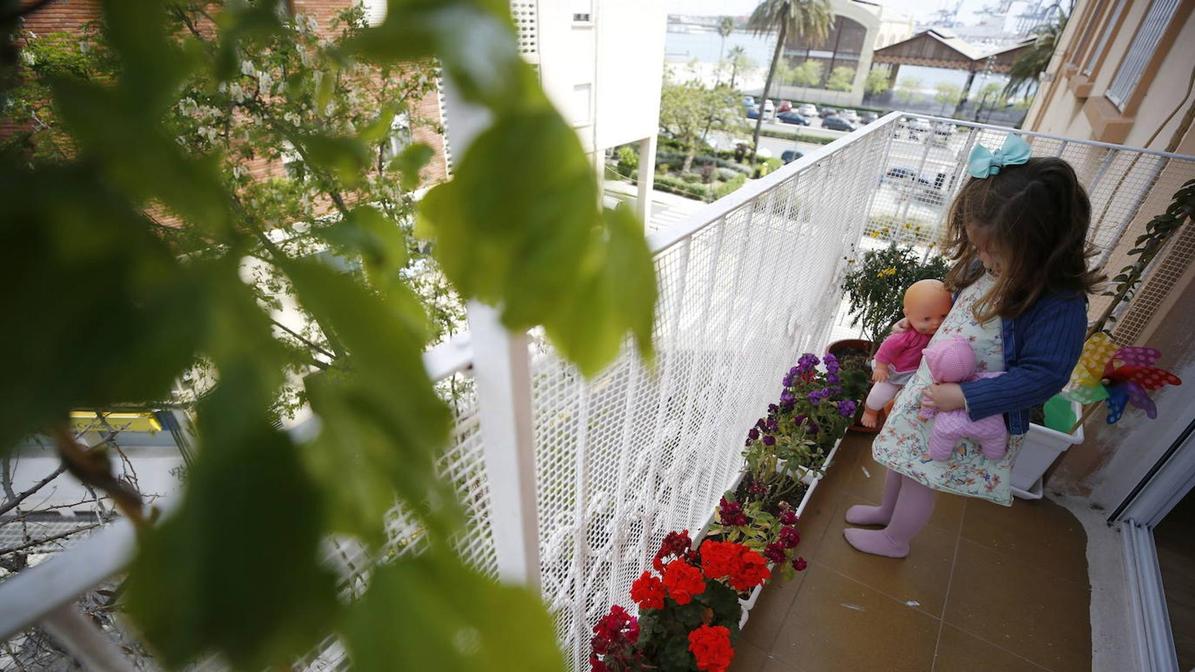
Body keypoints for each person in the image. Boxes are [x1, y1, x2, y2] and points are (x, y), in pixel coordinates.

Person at [842, 135, 1101, 558]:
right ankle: (885, 510)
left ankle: (896, 539)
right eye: (977, 243)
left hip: (964, 409)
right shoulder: (993, 266)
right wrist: (918, 325)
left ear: (1041, 245)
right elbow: (958, 315)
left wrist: (964, 395)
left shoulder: (1059, 305)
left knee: (922, 474)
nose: (980, 254)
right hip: (932, 389)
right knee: (903, 458)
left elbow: (1043, 376)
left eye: (990, 248)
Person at [860, 279, 953, 428]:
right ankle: (870, 411)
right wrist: (881, 367)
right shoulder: (905, 335)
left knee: (909, 399)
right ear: (908, 315)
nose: (936, 323)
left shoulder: (940, 332)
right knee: (879, 394)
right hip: (894, 373)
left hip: (915, 376)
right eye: (927, 319)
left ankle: (892, 409)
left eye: (943, 316)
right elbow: (886, 349)